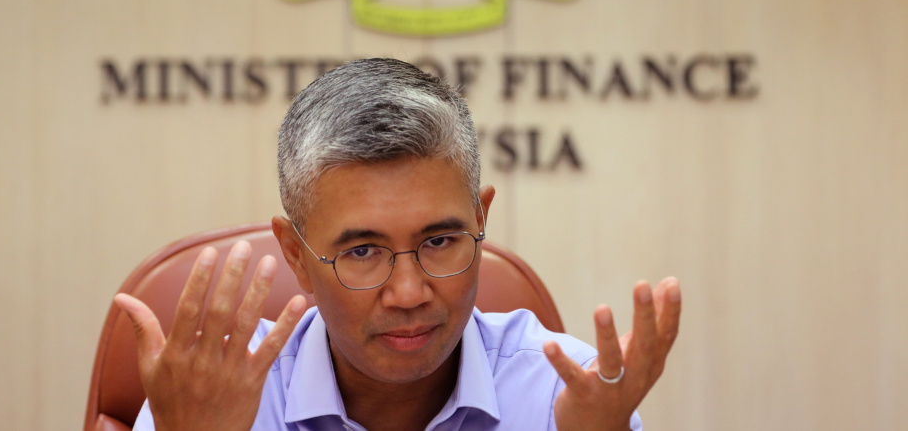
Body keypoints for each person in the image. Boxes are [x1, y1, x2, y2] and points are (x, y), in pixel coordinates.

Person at [116, 58, 681, 431]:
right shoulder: (212, 394)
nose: (409, 293)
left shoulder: (565, 395)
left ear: (481, 218)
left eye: (439, 240)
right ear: (296, 256)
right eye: (362, 251)